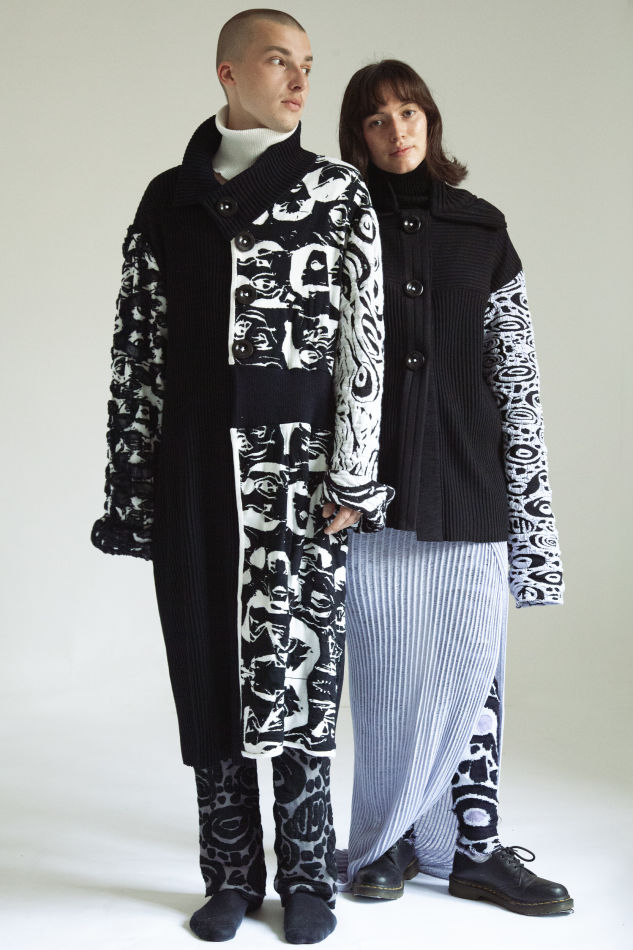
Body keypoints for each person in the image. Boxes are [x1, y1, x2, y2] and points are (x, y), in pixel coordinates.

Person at [91, 11, 393, 944]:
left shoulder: (335, 191)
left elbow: (364, 340)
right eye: (277, 62)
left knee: (298, 670)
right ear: (228, 73)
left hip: (297, 471)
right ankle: (228, 873)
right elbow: (137, 348)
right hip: (189, 464)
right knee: (206, 665)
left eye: (307, 65)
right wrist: (131, 486)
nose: (299, 81)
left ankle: (306, 877)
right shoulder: (167, 199)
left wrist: (352, 477)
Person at [337, 59, 573, 917]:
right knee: (388, 678)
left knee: (473, 672)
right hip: (370, 497)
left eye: (408, 112)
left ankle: (473, 848)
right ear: (356, 136)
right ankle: (389, 842)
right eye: (375, 119)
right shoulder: (338, 227)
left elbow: (515, 375)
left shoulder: (481, 229)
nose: (396, 130)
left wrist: (533, 519)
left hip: (470, 486)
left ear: (429, 120)